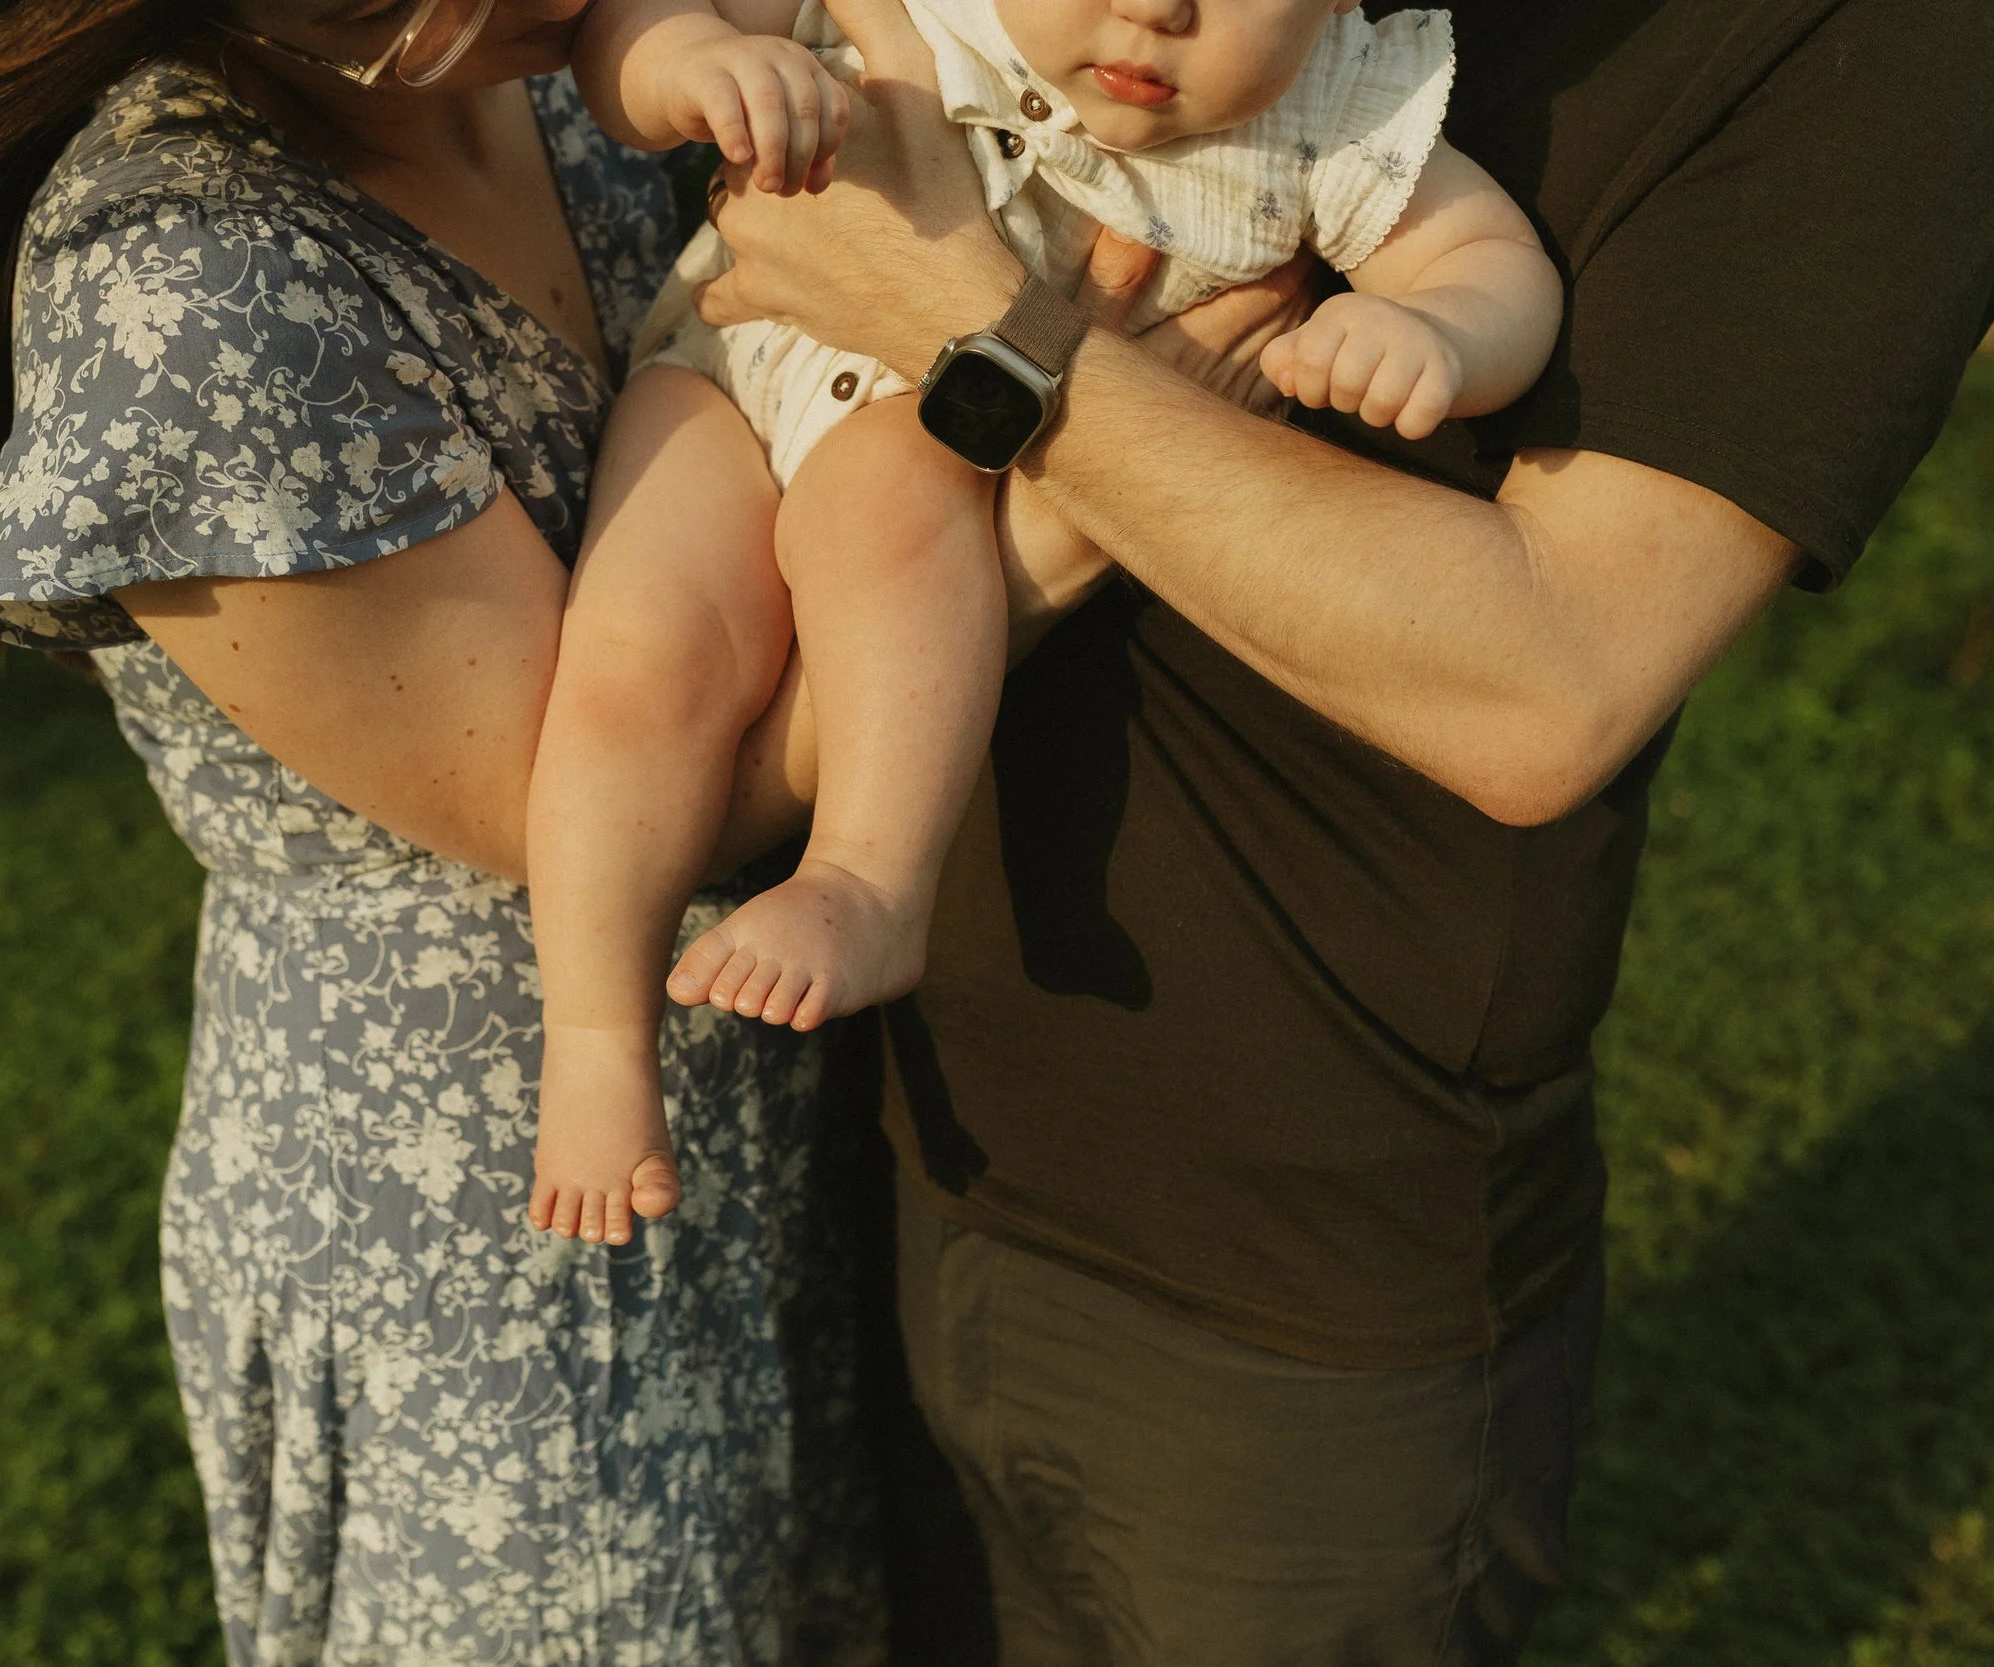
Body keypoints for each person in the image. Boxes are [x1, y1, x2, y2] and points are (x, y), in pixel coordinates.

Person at [687, 0, 1994, 1659]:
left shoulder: (1871, 36)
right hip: (907, 1131)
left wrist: (971, 322)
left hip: (1287, 1297)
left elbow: (1546, 682)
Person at [0, 0, 894, 1657]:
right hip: (492, 1236)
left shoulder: (554, 74)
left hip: (780, 1111)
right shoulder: (192, 296)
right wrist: (1067, 485)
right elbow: (618, 799)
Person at [517, 0, 1563, 1249]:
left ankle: (867, 877)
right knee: (632, 654)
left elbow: (1494, 266)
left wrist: (1432, 328)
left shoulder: (1336, 112)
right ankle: (590, 1040)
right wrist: (693, 66)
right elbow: (628, 24)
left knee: (882, 515)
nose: (1152, 8)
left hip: (925, 439)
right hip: (733, 366)